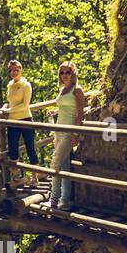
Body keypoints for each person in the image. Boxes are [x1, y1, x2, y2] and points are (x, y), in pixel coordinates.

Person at [49, 61, 85, 212]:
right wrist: (55, 113)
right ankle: (64, 200)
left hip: (69, 131)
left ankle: (54, 197)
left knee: (55, 163)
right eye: (62, 73)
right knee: (63, 166)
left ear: (73, 73)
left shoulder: (77, 90)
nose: (65, 76)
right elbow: (65, 107)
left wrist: (75, 134)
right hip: (58, 130)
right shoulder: (63, 89)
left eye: (68, 72)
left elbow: (80, 114)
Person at [3, 60, 38, 187]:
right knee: (12, 147)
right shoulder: (10, 85)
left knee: (30, 147)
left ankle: (35, 177)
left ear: (21, 70)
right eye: (12, 70)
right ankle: (16, 174)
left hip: (25, 119)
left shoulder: (26, 85)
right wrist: (4, 107)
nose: (14, 72)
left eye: (16, 70)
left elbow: (25, 105)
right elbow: (10, 102)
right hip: (12, 120)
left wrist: (9, 110)